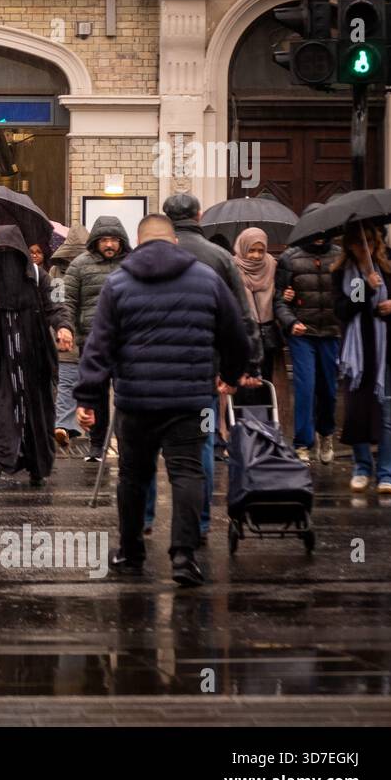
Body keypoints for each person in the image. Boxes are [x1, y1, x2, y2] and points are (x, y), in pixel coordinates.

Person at [75, 214, 249, 588]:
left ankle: (131, 551)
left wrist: (88, 397)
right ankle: (184, 555)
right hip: (190, 400)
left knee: (133, 477)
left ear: (137, 243)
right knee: (187, 472)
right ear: (173, 243)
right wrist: (231, 376)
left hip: (135, 401)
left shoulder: (118, 283)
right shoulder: (207, 280)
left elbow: (98, 346)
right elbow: (237, 335)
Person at [162, 193, 263, 538]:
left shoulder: (148, 257)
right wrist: (247, 366)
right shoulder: (220, 258)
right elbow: (242, 317)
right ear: (199, 215)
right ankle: (200, 523)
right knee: (201, 442)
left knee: (145, 448)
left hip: (152, 370)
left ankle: (144, 522)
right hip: (202, 368)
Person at [0, 225, 69, 489]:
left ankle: (36, 463)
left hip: (34, 359)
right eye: (0, 253)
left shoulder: (42, 277)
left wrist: (63, 327)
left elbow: (58, 305)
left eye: (11, 253)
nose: (6, 261)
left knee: (35, 412)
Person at [334, 223, 391, 494]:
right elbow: (343, 310)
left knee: (388, 413)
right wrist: (364, 287)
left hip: (386, 352)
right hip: (358, 356)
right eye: (358, 243)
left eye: (369, 243)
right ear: (350, 247)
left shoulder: (388, 270)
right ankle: (362, 467)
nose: (364, 248)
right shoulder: (343, 273)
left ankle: (387, 473)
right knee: (358, 413)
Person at [58, 215, 131, 460]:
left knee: (125, 395)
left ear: (122, 241)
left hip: (127, 341)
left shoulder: (132, 264)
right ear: (96, 241)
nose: (109, 245)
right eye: (104, 240)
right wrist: (67, 327)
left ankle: (125, 444)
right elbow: (67, 301)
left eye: (114, 240)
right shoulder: (79, 265)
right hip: (92, 339)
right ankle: (97, 445)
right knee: (96, 394)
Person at [274, 204, 341, 464]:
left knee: (329, 389)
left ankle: (326, 433)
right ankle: (302, 442)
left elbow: (353, 294)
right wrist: (291, 323)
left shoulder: (340, 256)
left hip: (331, 331)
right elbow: (279, 299)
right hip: (302, 333)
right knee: (305, 387)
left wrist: (355, 295)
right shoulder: (289, 258)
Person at [48, 223, 88, 446]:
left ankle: (64, 424)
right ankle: (80, 427)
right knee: (88, 384)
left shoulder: (56, 271)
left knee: (65, 383)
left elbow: (55, 303)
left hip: (63, 335)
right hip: (82, 334)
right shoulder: (92, 267)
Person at [233, 227, 281, 384]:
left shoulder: (272, 265)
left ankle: (266, 410)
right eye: (251, 250)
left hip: (267, 335)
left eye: (261, 250)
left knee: (265, 382)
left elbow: (279, 297)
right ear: (243, 247)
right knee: (242, 382)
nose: (256, 255)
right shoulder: (232, 267)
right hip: (241, 333)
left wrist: (287, 295)